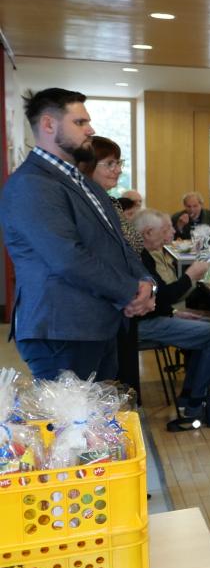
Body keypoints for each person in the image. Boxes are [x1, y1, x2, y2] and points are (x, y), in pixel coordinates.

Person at [0, 88, 154, 381]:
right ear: (49, 125)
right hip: (61, 330)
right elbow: (68, 258)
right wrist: (130, 291)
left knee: (101, 410)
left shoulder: (83, 182)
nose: (90, 130)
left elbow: (118, 244)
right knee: (73, 413)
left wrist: (146, 281)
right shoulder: (32, 183)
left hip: (97, 325)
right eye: (80, 122)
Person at [135, 210, 210, 431]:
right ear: (147, 233)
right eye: (166, 229)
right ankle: (197, 402)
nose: (173, 232)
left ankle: (189, 395)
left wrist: (174, 313)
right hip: (142, 325)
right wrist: (190, 276)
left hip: (152, 317)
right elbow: (163, 296)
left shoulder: (144, 254)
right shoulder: (140, 257)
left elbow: (158, 297)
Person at [78, 136, 143, 254]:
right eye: (110, 163)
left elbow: (135, 244)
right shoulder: (80, 203)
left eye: (118, 163)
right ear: (87, 166)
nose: (119, 170)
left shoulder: (112, 202)